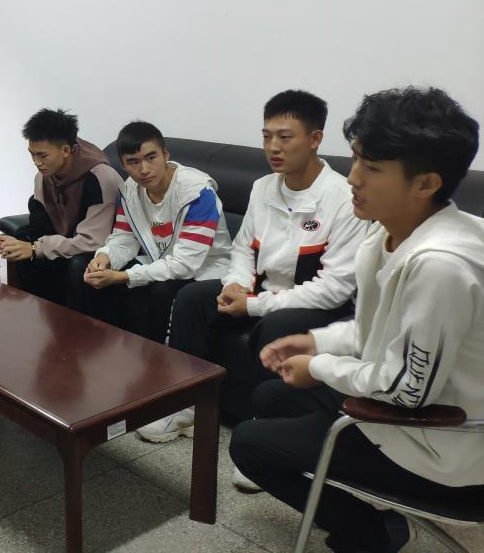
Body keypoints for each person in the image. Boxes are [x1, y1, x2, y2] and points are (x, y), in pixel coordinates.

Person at [230, 86, 484, 553]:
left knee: (249, 445)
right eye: (356, 160)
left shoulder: (441, 264)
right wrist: (316, 341)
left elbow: (408, 391)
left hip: (444, 441)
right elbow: (377, 329)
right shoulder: (387, 236)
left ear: (425, 183)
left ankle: (372, 535)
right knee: (271, 395)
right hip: (417, 408)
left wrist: (320, 367)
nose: (353, 178)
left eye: (372, 167)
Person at [137, 90, 368, 446]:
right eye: (267, 136)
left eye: (285, 137)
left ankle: (267, 427)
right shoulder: (263, 188)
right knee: (193, 299)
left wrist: (254, 305)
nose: (273, 147)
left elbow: (334, 289)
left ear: (315, 139)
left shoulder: (341, 198)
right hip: (262, 291)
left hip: (317, 304)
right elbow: (243, 248)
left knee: (276, 324)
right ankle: (186, 405)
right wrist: (236, 284)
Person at [75, 121, 232, 343]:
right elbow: (124, 237)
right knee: (83, 267)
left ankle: (156, 359)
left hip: (205, 269)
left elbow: (186, 264)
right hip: (159, 260)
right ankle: (101, 347)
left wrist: (124, 277)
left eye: (151, 157)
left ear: (165, 154)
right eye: (133, 162)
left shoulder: (197, 193)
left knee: (159, 290)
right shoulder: (130, 190)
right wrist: (104, 257)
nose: (144, 169)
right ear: (123, 165)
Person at [0, 108, 121, 306]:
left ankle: (73, 323)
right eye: (32, 154)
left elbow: (93, 241)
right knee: (23, 249)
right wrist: (20, 243)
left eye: (42, 155)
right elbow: (41, 225)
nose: (36, 162)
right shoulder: (44, 176)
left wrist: (36, 248)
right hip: (69, 241)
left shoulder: (100, 178)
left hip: (100, 249)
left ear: (66, 150)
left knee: (75, 264)